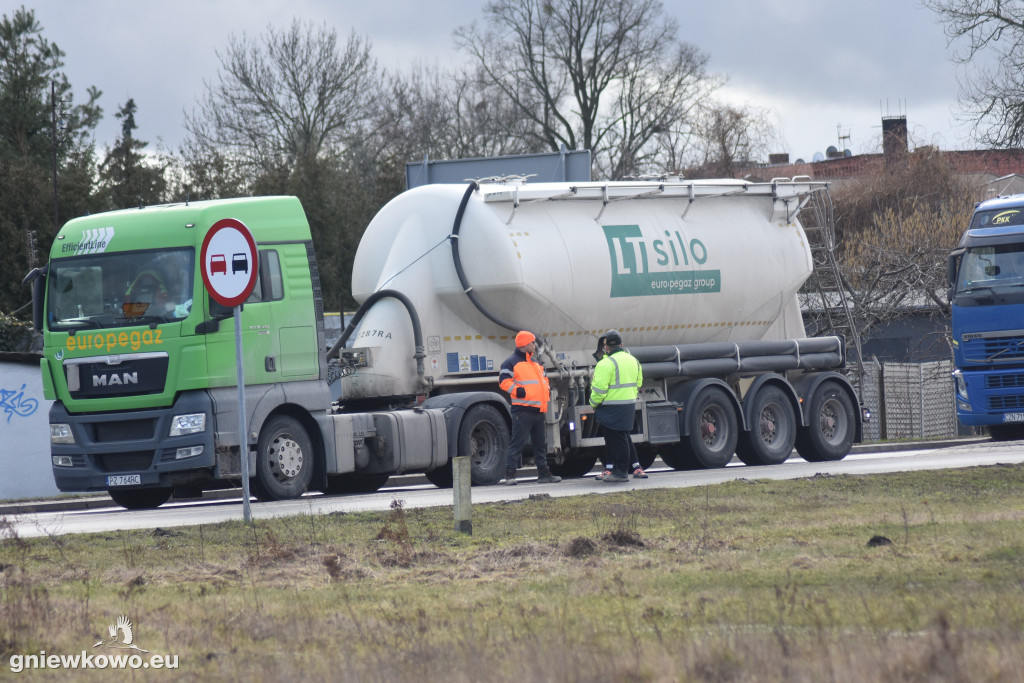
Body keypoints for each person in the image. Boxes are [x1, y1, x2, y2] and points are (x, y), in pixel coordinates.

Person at [499, 330, 562, 485]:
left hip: (538, 411)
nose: (535, 345)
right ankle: (510, 474)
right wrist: (517, 390)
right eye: (532, 342)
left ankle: (543, 473)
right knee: (517, 443)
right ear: (524, 344)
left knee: (540, 445)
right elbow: (503, 381)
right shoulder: (511, 362)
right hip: (522, 411)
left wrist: (545, 392)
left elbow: (542, 382)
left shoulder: (535, 363)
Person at [590, 329, 644, 483]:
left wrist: (593, 404)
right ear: (621, 344)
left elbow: (599, 390)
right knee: (622, 438)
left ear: (606, 347)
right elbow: (638, 383)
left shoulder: (605, 364)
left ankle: (620, 472)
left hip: (610, 407)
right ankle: (623, 469)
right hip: (628, 405)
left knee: (615, 440)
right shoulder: (634, 360)